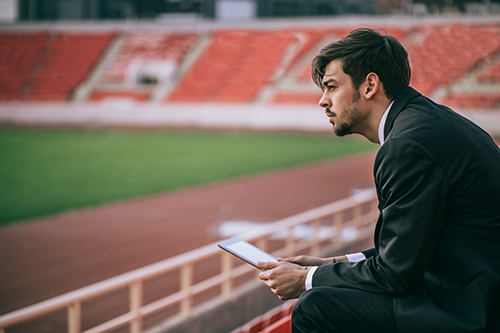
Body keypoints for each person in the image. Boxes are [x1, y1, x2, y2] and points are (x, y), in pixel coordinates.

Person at [257, 28, 500, 332]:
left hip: (469, 308)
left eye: (331, 87)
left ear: (370, 85)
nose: (323, 101)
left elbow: (396, 274)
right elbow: (408, 250)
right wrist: (330, 265)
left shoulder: (406, 146)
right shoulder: (428, 122)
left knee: (314, 308)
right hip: (476, 287)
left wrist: (305, 280)